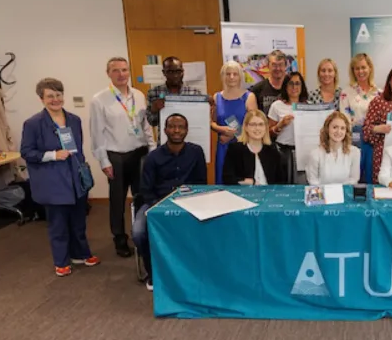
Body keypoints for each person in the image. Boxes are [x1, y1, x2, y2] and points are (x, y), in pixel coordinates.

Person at [21, 78, 100, 277]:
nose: (55, 100)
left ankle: (81, 254)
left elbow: (78, 149)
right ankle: (61, 261)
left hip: (75, 178)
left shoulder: (74, 119)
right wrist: (52, 155)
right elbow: (27, 152)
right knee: (58, 224)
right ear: (41, 99)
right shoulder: (33, 124)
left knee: (78, 221)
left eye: (58, 95)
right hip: (52, 181)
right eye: (50, 96)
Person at [90, 57, 156, 257]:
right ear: (108, 73)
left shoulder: (138, 95)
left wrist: (152, 148)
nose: (121, 74)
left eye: (124, 70)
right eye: (116, 70)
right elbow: (96, 132)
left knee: (141, 196)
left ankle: (141, 234)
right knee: (117, 200)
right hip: (115, 155)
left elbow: (145, 124)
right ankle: (119, 238)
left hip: (140, 152)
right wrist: (103, 160)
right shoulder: (99, 99)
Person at [133, 114, 206, 291]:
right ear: (165, 130)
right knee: (139, 232)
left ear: (187, 130)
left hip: (189, 203)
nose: (176, 130)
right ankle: (153, 273)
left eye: (181, 127)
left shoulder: (196, 152)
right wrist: (159, 207)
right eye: (172, 126)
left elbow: (201, 183)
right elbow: (146, 190)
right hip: (156, 203)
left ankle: (194, 272)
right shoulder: (153, 157)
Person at [210, 61, 257, 184]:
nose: (231, 77)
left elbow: (255, 126)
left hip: (243, 149)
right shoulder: (216, 97)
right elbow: (212, 122)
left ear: (240, 76)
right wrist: (222, 130)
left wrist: (234, 135)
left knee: (240, 183)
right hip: (223, 148)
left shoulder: (249, 97)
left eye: (235, 74)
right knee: (222, 184)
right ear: (223, 76)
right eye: (228, 74)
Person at [339, 53, 381, 181]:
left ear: (370, 68)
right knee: (354, 175)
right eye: (357, 68)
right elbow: (343, 118)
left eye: (363, 67)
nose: (360, 71)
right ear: (353, 71)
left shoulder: (379, 93)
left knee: (372, 174)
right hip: (354, 138)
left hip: (374, 140)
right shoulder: (346, 92)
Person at [223, 110, 286, 185]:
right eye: (253, 124)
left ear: (266, 127)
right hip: (244, 193)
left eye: (261, 124)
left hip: (269, 194)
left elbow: (281, 182)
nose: (257, 128)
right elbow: (227, 178)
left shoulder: (272, 150)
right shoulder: (235, 149)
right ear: (246, 127)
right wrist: (247, 182)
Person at [268, 72, 309, 184]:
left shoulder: (308, 106)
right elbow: (268, 133)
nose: (294, 87)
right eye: (291, 83)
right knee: (283, 183)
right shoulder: (277, 105)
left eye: (297, 83)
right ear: (285, 86)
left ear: (302, 86)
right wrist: (280, 125)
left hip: (303, 152)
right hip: (282, 152)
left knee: (302, 184)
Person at [146, 56, 203, 127]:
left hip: (190, 136)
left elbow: (201, 119)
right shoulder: (154, 92)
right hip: (166, 137)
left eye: (178, 71)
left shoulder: (195, 93)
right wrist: (154, 110)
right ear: (164, 72)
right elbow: (152, 122)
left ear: (183, 71)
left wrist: (208, 107)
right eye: (170, 72)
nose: (175, 75)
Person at [306, 112, 361, 185]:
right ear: (327, 129)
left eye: (342, 128)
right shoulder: (315, 154)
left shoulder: (355, 152)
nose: (339, 131)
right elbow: (313, 181)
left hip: (345, 194)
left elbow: (354, 179)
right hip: (323, 194)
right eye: (335, 127)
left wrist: (337, 191)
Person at [249, 50, 288, 115]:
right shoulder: (257, 89)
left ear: (285, 66)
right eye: (274, 65)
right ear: (268, 66)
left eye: (280, 65)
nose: (278, 68)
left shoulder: (293, 88)